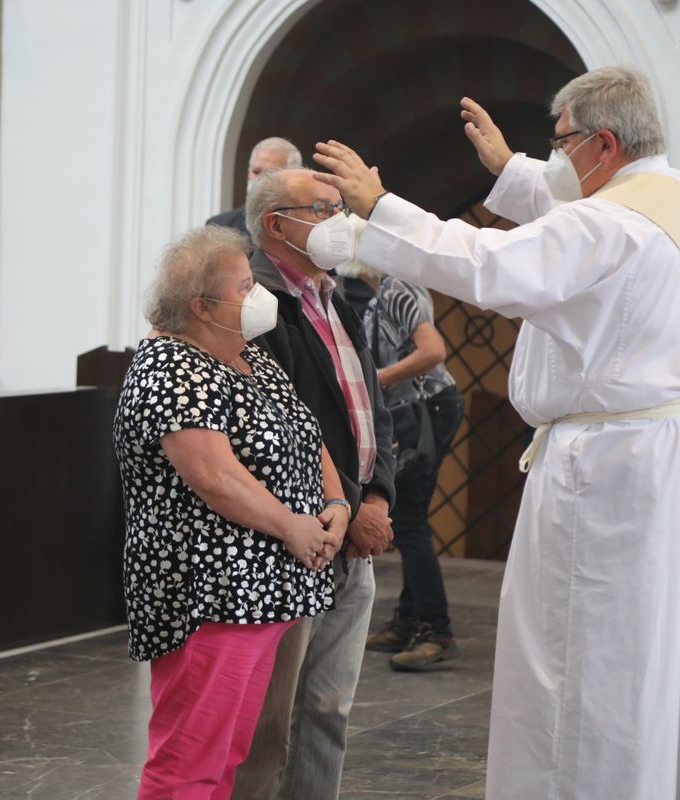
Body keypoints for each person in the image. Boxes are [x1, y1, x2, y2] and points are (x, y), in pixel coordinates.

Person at [313, 65, 680, 799]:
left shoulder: (607, 224)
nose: (553, 159)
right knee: (658, 646)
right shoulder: (677, 202)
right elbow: (570, 209)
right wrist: (511, 171)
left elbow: (488, 267)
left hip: (608, 472)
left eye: (559, 142)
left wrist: (381, 209)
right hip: (671, 455)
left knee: (584, 657)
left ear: (603, 144)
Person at [114, 224, 351, 800]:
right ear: (200, 306)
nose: (258, 295)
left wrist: (336, 503)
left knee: (228, 756)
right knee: (187, 762)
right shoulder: (171, 367)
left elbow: (307, 433)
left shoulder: (251, 358)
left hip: (264, 588)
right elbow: (214, 477)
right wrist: (292, 525)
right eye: (244, 286)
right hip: (211, 591)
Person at [230, 168, 396, 800]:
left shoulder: (336, 295)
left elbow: (369, 407)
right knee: (267, 724)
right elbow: (282, 425)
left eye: (340, 207)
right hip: (297, 536)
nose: (341, 221)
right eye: (324, 209)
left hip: (353, 530)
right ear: (277, 224)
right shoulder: (257, 305)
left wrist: (377, 496)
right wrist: (345, 508)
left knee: (329, 710)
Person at [343, 259, 466, 671]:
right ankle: (412, 618)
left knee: (409, 519)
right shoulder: (386, 291)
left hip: (426, 406)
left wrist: (374, 381)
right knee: (411, 515)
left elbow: (433, 351)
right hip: (421, 405)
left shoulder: (397, 287)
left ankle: (435, 626)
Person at [207, 137, 304, 236]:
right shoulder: (221, 226)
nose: (259, 180)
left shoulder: (305, 226)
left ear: (292, 178)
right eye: (256, 171)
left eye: (269, 173)